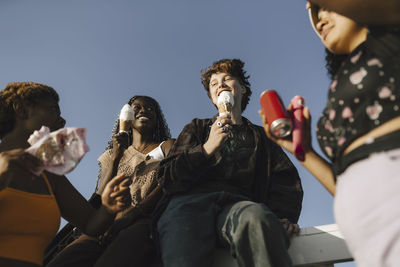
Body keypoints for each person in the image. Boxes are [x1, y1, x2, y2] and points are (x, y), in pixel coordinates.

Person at [259, 1, 400, 266]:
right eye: (313, 14)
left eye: (325, 7)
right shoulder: (341, 81)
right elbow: (345, 182)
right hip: (372, 238)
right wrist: (305, 153)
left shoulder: (392, 37)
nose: (319, 20)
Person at [155, 59, 303, 267]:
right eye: (214, 83)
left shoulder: (262, 138)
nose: (220, 84)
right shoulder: (197, 128)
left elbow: (285, 180)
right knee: (181, 238)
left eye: (227, 79)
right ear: (213, 98)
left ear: (242, 89)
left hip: (239, 205)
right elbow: (168, 178)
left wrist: (282, 216)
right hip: (189, 205)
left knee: (258, 218)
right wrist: (206, 149)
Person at [0, 82, 131, 267]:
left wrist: (108, 208)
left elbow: (90, 223)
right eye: (53, 110)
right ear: (21, 110)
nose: (62, 122)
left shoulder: (50, 176)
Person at [46, 95, 174, 267]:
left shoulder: (166, 146)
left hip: (143, 219)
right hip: (106, 223)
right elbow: (101, 196)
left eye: (151, 108)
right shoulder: (111, 155)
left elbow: (170, 180)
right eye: (137, 107)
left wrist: (133, 214)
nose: (144, 110)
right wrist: (116, 157)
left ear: (157, 118)